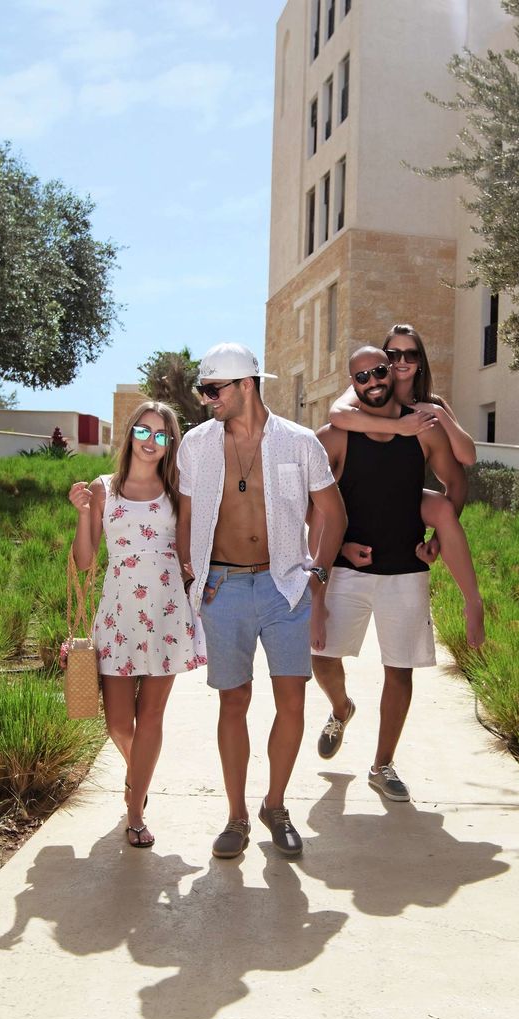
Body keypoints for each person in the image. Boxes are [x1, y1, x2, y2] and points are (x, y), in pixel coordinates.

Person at [176, 343, 346, 859]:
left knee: (292, 700)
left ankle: (276, 805)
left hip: (284, 586)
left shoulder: (299, 442)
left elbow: (334, 513)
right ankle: (236, 816)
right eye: (203, 390)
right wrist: (192, 575)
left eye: (213, 389)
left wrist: (318, 576)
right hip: (222, 586)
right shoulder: (196, 444)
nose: (207, 399)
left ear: (245, 385)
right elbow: (186, 518)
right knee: (234, 702)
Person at [312, 346, 466, 802]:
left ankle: (382, 765)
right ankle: (341, 708)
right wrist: (339, 545)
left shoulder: (423, 430)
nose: (373, 382)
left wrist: (439, 536)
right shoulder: (334, 437)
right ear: (352, 385)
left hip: (405, 571)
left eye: (379, 371)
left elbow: (457, 480)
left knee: (399, 671)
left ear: (390, 374)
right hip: (347, 570)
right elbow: (305, 503)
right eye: (361, 377)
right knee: (321, 657)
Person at [69, 402, 205, 850]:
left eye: (161, 435)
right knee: (117, 724)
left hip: (166, 612)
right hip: (118, 614)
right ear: (130, 434)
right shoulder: (103, 488)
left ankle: (135, 810)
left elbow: (189, 551)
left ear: (170, 444)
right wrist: (82, 514)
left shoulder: (177, 489)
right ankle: (139, 773)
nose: (151, 441)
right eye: (143, 431)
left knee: (150, 717)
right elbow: (85, 561)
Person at [326, 323, 486, 649]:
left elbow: (466, 459)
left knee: (442, 508)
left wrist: (437, 412)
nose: (401, 361)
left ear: (420, 360)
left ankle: (473, 601)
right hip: (367, 490)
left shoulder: (431, 404)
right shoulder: (367, 386)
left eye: (410, 354)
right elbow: (336, 414)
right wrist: (399, 426)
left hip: (406, 493)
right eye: (393, 354)